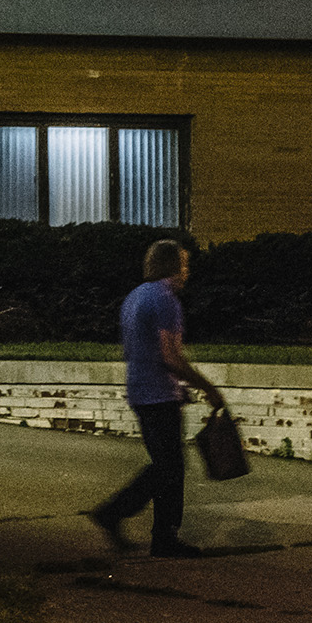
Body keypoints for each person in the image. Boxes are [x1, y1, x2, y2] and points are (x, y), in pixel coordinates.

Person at [90, 239, 223, 559]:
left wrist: (178, 386)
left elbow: (140, 350)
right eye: (185, 264)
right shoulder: (166, 300)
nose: (187, 272)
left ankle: (140, 525)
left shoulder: (135, 297)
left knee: (165, 466)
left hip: (140, 391)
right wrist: (208, 387)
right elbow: (171, 356)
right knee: (170, 468)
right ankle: (144, 528)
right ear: (172, 266)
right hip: (158, 395)